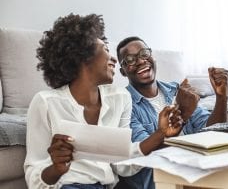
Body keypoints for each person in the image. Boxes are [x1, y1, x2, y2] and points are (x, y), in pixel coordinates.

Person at [24, 14, 184, 189]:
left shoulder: (120, 98)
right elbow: (34, 178)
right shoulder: (46, 103)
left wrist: (160, 134)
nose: (114, 59)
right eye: (106, 49)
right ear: (83, 56)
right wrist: (56, 169)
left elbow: (123, 165)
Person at [116, 36, 228, 189]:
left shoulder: (175, 89)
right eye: (130, 59)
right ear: (123, 71)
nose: (141, 61)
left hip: (196, 171)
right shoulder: (123, 103)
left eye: (144, 54)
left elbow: (212, 130)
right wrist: (183, 113)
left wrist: (221, 97)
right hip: (163, 181)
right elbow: (145, 152)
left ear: (152, 57)